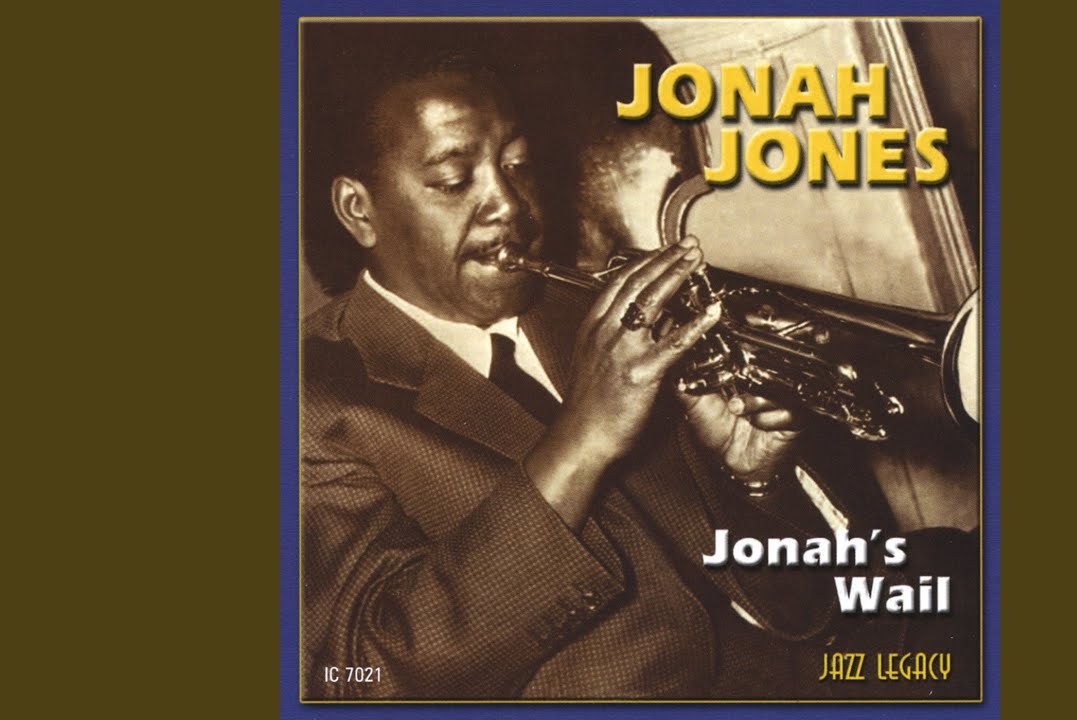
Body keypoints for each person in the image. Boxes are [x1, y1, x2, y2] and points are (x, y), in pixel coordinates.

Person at [301, 47, 976, 700]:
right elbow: (366, 677)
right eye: (455, 181)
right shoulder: (314, 399)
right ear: (359, 210)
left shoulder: (590, 312)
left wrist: (757, 480)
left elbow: (807, 606)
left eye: (517, 165)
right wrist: (582, 439)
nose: (508, 205)